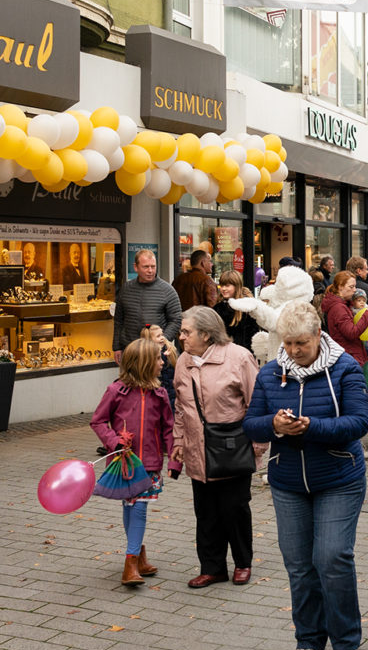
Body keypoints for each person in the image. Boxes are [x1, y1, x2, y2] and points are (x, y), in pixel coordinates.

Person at [244, 302, 368, 650]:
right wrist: (274, 424)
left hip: (339, 478)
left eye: (301, 342)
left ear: (318, 335)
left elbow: (359, 422)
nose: (294, 350)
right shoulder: (270, 373)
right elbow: (250, 425)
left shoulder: (345, 367)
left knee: (331, 557)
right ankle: (309, 640)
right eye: (288, 343)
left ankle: (345, 642)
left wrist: (311, 427)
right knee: (299, 565)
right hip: (287, 481)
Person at [173, 306, 263, 588]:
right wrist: (178, 441)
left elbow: (257, 403)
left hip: (232, 445)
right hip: (198, 448)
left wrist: (257, 447)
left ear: (206, 333)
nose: (181, 337)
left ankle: (242, 562)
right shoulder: (183, 361)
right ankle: (212, 568)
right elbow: (180, 406)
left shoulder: (238, 358)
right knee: (206, 512)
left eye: (186, 331)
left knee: (234, 508)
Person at [91, 337, 176, 586]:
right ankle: (136, 556)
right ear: (143, 363)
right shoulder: (116, 391)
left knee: (137, 508)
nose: (163, 363)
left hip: (149, 464)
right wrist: (113, 440)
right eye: (158, 358)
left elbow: (168, 429)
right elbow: (97, 421)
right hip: (124, 463)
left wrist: (174, 461)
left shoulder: (160, 394)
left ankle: (132, 561)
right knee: (130, 507)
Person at [113, 250, 182, 365]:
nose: (150, 271)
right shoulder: (126, 290)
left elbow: (176, 320)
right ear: (136, 267)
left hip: (156, 353)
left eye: (153, 266)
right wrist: (116, 347)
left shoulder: (168, 290)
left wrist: (162, 340)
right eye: (146, 267)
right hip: (130, 351)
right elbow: (118, 320)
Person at [320, 271, 368, 367]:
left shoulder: (343, 305)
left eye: (354, 286)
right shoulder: (339, 308)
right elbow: (351, 333)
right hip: (349, 358)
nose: (354, 290)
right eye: (351, 287)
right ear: (340, 287)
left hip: (349, 356)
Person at [215, 271, 260, 352]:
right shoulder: (218, 308)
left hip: (244, 353)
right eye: (221, 285)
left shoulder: (247, 307)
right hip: (223, 353)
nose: (223, 288)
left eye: (227, 285)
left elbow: (253, 334)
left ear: (236, 286)